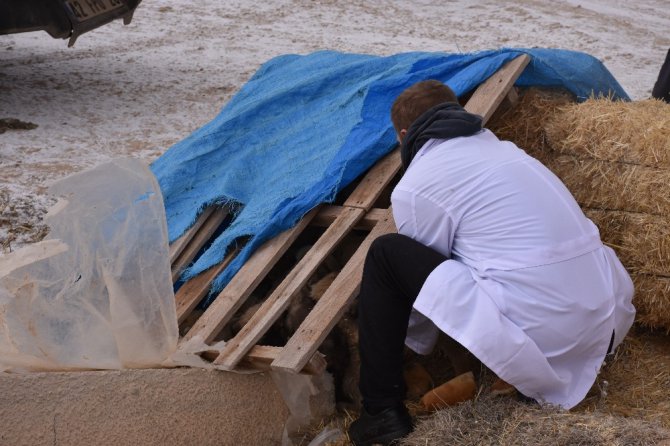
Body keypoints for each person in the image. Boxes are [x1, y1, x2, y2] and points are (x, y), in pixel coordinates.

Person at [347, 80, 636, 446]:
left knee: (387, 254)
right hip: (609, 316)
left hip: (552, 333)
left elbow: (419, 284)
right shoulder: (508, 152)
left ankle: (380, 412)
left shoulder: (418, 183)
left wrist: (415, 346)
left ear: (404, 135)